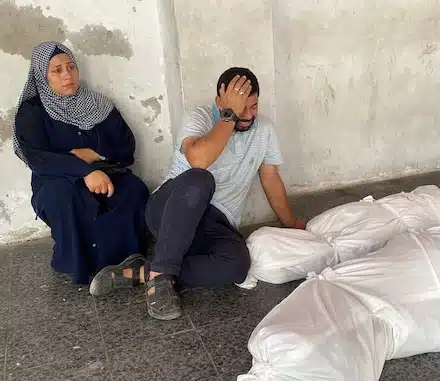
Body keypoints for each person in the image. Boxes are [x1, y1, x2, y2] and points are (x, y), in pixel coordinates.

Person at [90, 67, 305, 320]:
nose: (247, 116)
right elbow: (198, 160)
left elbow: (270, 177)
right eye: (240, 107)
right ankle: (160, 279)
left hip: (215, 222)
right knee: (201, 178)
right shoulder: (200, 117)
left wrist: (291, 222)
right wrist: (229, 117)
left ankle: (144, 272)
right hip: (172, 207)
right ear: (219, 102)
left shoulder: (265, 129)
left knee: (238, 265)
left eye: (253, 106)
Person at [12, 41, 150, 285]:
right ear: (42, 76)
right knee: (67, 197)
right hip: (56, 180)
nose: (67, 75)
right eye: (57, 70)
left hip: (106, 173)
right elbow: (37, 158)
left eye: (71, 67)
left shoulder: (98, 104)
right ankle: (90, 266)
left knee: (133, 189)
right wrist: (84, 171)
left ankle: (126, 260)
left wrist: (95, 156)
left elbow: (126, 148)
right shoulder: (32, 111)